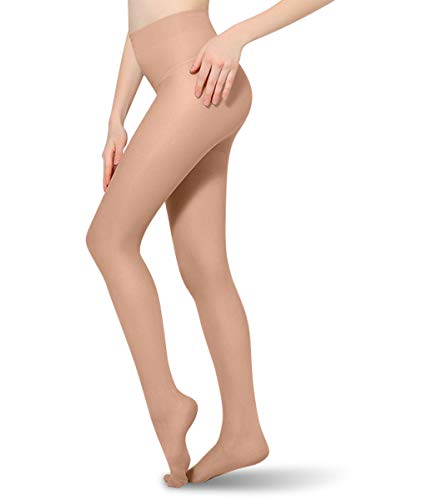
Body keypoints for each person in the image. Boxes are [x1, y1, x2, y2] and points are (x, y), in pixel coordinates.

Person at [87, 0, 334, 488]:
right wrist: (117, 116)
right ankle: (244, 431)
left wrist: (237, 35)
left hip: (198, 79)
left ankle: (166, 403)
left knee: (109, 240)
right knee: (203, 266)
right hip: (187, 85)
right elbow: (141, 20)